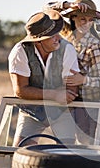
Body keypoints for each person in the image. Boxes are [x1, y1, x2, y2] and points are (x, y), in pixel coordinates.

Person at [8, 11, 80, 146]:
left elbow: (70, 91)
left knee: (67, 154)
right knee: (20, 151)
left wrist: (36, 93)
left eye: (57, 32)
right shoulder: (20, 52)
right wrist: (54, 94)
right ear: (38, 41)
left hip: (61, 111)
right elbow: (21, 91)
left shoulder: (67, 49)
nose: (58, 38)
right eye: (52, 36)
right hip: (32, 112)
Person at [45, 0, 100, 144]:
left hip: (88, 105)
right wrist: (69, 5)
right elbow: (47, 10)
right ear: (73, 18)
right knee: (63, 143)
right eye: (82, 19)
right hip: (65, 100)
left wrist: (83, 80)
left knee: (86, 145)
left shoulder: (95, 46)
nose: (86, 23)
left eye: (90, 19)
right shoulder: (66, 35)